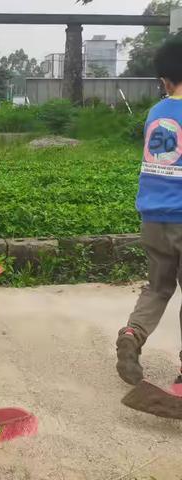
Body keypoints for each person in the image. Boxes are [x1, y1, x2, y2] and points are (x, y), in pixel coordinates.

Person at [116, 38, 182, 386]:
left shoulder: (155, 113)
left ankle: (132, 334)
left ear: (165, 81)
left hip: (152, 218)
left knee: (157, 288)